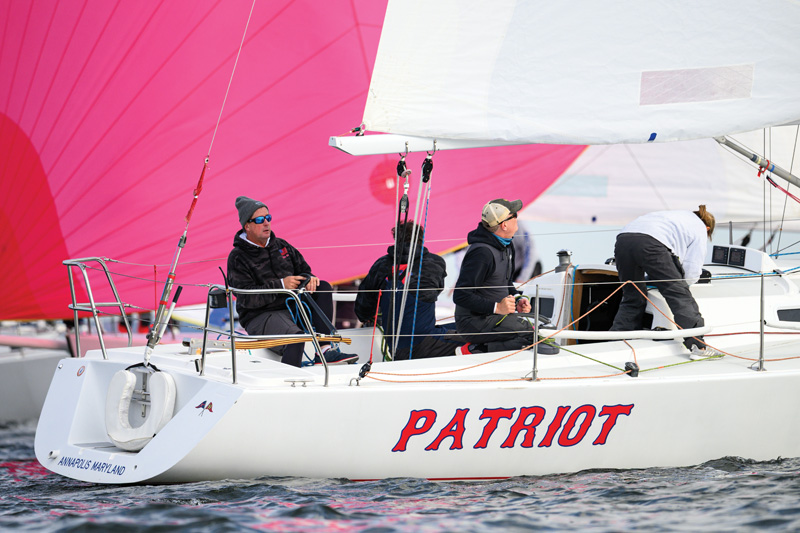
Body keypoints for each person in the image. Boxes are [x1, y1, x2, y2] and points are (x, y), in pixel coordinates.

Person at [226, 196, 357, 367]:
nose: (266, 223)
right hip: (260, 315)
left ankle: (324, 350)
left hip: (290, 307)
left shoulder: (281, 246)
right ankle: (289, 382)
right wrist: (281, 285)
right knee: (296, 337)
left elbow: (304, 270)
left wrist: (309, 280)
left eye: (268, 218)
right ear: (247, 226)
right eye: (259, 220)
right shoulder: (238, 257)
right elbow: (247, 298)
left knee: (322, 286)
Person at [609, 205, 717, 358]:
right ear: (707, 228)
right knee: (679, 296)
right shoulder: (699, 228)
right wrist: (683, 283)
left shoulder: (677, 217)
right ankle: (698, 347)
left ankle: (615, 343)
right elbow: (692, 269)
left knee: (632, 295)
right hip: (652, 243)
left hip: (624, 239)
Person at [453, 199, 559, 355]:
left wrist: (517, 298)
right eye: (514, 215)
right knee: (529, 335)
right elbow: (460, 295)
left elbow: (505, 282)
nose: (518, 217)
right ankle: (474, 350)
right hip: (474, 322)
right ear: (504, 224)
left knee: (540, 330)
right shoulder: (481, 253)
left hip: (494, 317)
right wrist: (497, 307)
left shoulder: (506, 245)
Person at [355, 221, 461, 360]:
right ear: (421, 239)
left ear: (396, 239)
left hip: (395, 348)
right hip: (423, 344)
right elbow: (436, 291)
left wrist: (369, 316)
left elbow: (363, 308)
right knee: (480, 332)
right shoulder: (434, 263)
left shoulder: (381, 265)